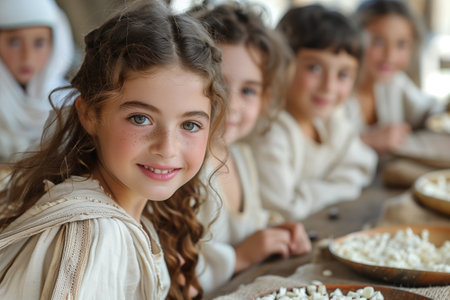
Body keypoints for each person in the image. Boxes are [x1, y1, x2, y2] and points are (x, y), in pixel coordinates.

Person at [0, 1, 227, 299]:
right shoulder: (98, 234)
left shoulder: (129, 216)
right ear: (90, 115)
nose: (167, 148)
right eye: (140, 118)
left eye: (191, 125)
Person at [191, 3, 311, 292]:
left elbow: (246, 228)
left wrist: (278, 234)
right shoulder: (183, 168)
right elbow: (169, 273)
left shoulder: (241, 156)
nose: (232, 104)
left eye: (248, 90)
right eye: (217, 82)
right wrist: (238, 257)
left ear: (265, 96)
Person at [246, 4, 378, 222]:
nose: (329, 86)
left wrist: (309, 192)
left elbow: (364, 163)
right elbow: (284, 210)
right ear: (282, 65)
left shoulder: (331, 121)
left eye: (343, 74)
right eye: (314, 68)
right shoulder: (271, 132)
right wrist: (338, 187)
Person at [346, 0, 443, 153]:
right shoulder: (336, 90)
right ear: (354, 40)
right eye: (378, 42)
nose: (390, 56)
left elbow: (428, 110)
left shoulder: (394, 82)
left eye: (401, 44)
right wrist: (366, 140)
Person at [0, 0, 74, 161]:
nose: (27, 56)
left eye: (39, 43)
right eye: (14, 42)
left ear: (56, 45)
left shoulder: (70, 104)